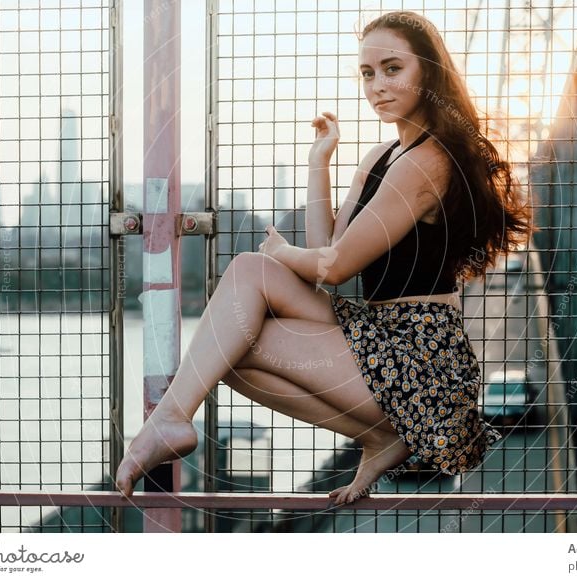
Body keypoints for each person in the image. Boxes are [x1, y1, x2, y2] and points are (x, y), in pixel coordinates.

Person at [115, 10, 533, 506]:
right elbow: (327, 253)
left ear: (429, 71)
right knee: (225, 341)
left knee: (242, 297)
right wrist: (320, 163)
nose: (377, 85)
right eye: (367, 73)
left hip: (422, 358)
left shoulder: (429, 162)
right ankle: (380, 437)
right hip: (379, 336)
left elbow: (334, 267)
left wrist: (282, 252)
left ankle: (169, 418)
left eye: (392, 68)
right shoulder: (383, 156)